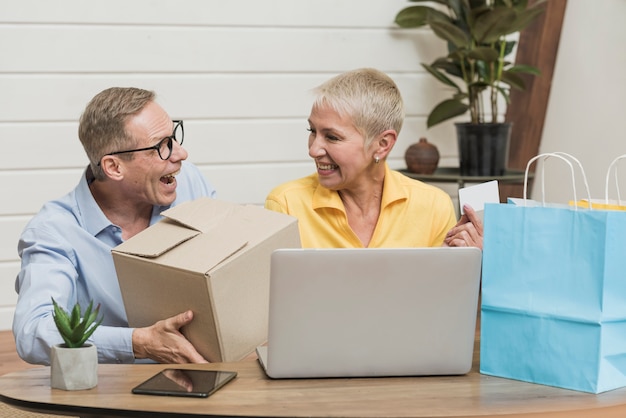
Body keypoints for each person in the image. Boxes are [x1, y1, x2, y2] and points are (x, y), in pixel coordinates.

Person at [13, 87, 216, 365]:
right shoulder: (54, 231)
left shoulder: (190, 182)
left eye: (175, 136)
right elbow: (33, 330)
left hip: (209, 372)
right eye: (162, 145)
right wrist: (140, 343)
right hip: (112, 397)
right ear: (114, 167)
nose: (181, 153)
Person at [265, 68, 483, 249]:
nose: (313, 150)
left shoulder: (434, 207)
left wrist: (474, 263)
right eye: (312, 131)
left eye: (332, 137)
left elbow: (442, 296)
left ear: (382, 145)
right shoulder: (286, 206)